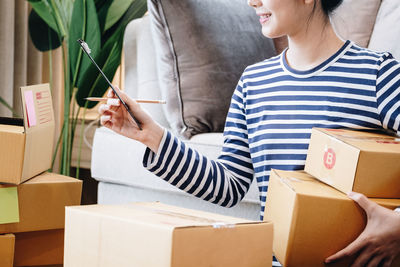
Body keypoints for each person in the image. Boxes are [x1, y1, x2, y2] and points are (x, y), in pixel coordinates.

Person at [98, 0, 400, 265]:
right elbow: (227, 186)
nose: (251, 2)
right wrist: (151, 135)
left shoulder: (376, 73)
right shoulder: (254, 83)